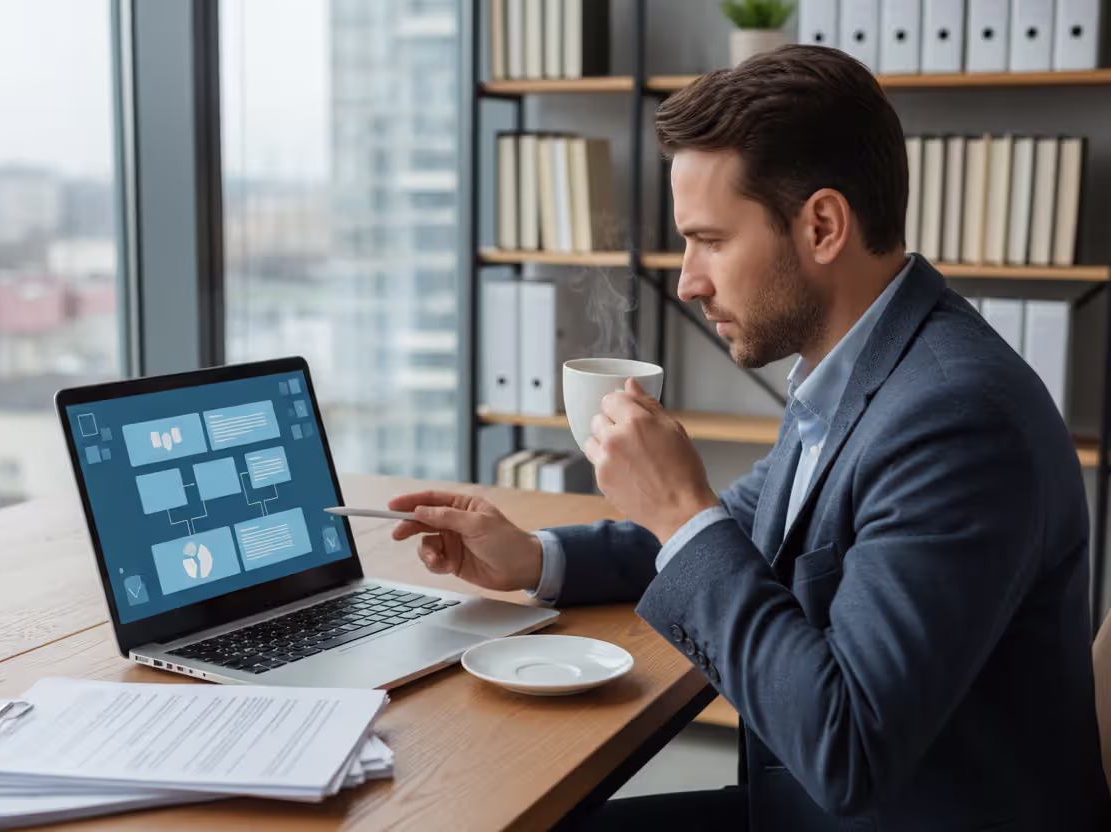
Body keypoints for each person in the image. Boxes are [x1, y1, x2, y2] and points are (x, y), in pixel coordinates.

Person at [389, 45, 1111, 830]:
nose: (689, 280)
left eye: (711, 240)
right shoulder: (861, 370)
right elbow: (743, 533)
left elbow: (848, 749)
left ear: (823, 226)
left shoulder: (955, 419)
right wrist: (535, 557)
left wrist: (679, 510)